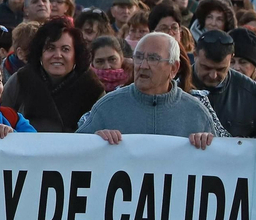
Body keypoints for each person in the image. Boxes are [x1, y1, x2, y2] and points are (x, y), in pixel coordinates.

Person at [78, 32, 217, 148]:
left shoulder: (196, 113)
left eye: (153, 58)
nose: (143, 66)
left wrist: (207, 143)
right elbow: (76, 151)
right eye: (138, 57)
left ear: (174, 68)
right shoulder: (108, 107)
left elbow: (218, 162)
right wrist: (94, 141)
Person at [1, 17, 103, 133]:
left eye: (65, 49)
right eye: (50, 48)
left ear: (76, 55)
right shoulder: (21, 79)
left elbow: (104, 125)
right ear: (40, 53)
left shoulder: (92, 87)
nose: (58, 55)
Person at [189, 28, 256, 137]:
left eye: (221, 69)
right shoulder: (175, 86)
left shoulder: (254, 93)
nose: (213, 75)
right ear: (195, 55)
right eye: (206, 68)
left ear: (231, 58)